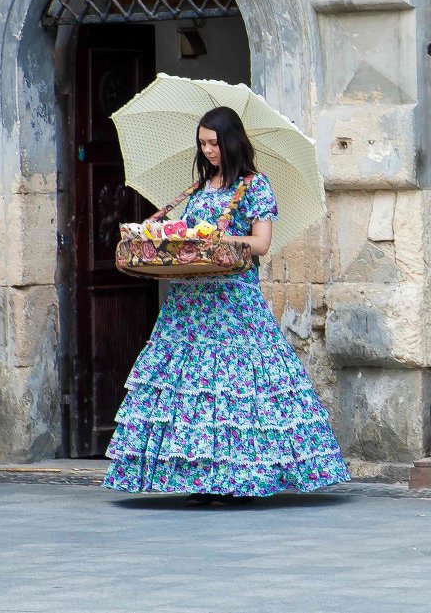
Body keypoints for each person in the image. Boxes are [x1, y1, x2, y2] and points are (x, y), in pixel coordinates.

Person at [103, 106, 351, 504]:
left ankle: (244, 480)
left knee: (237, 388)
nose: (207, 150)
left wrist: (222, 242)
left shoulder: (254, 186)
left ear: (231, 141)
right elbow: (187, 234)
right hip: (189, 302)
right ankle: (200, 480)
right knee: (190, 389)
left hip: (234, 301)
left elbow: (261, 244)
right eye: (202, 143)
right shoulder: (198, 189)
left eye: (213, 143)